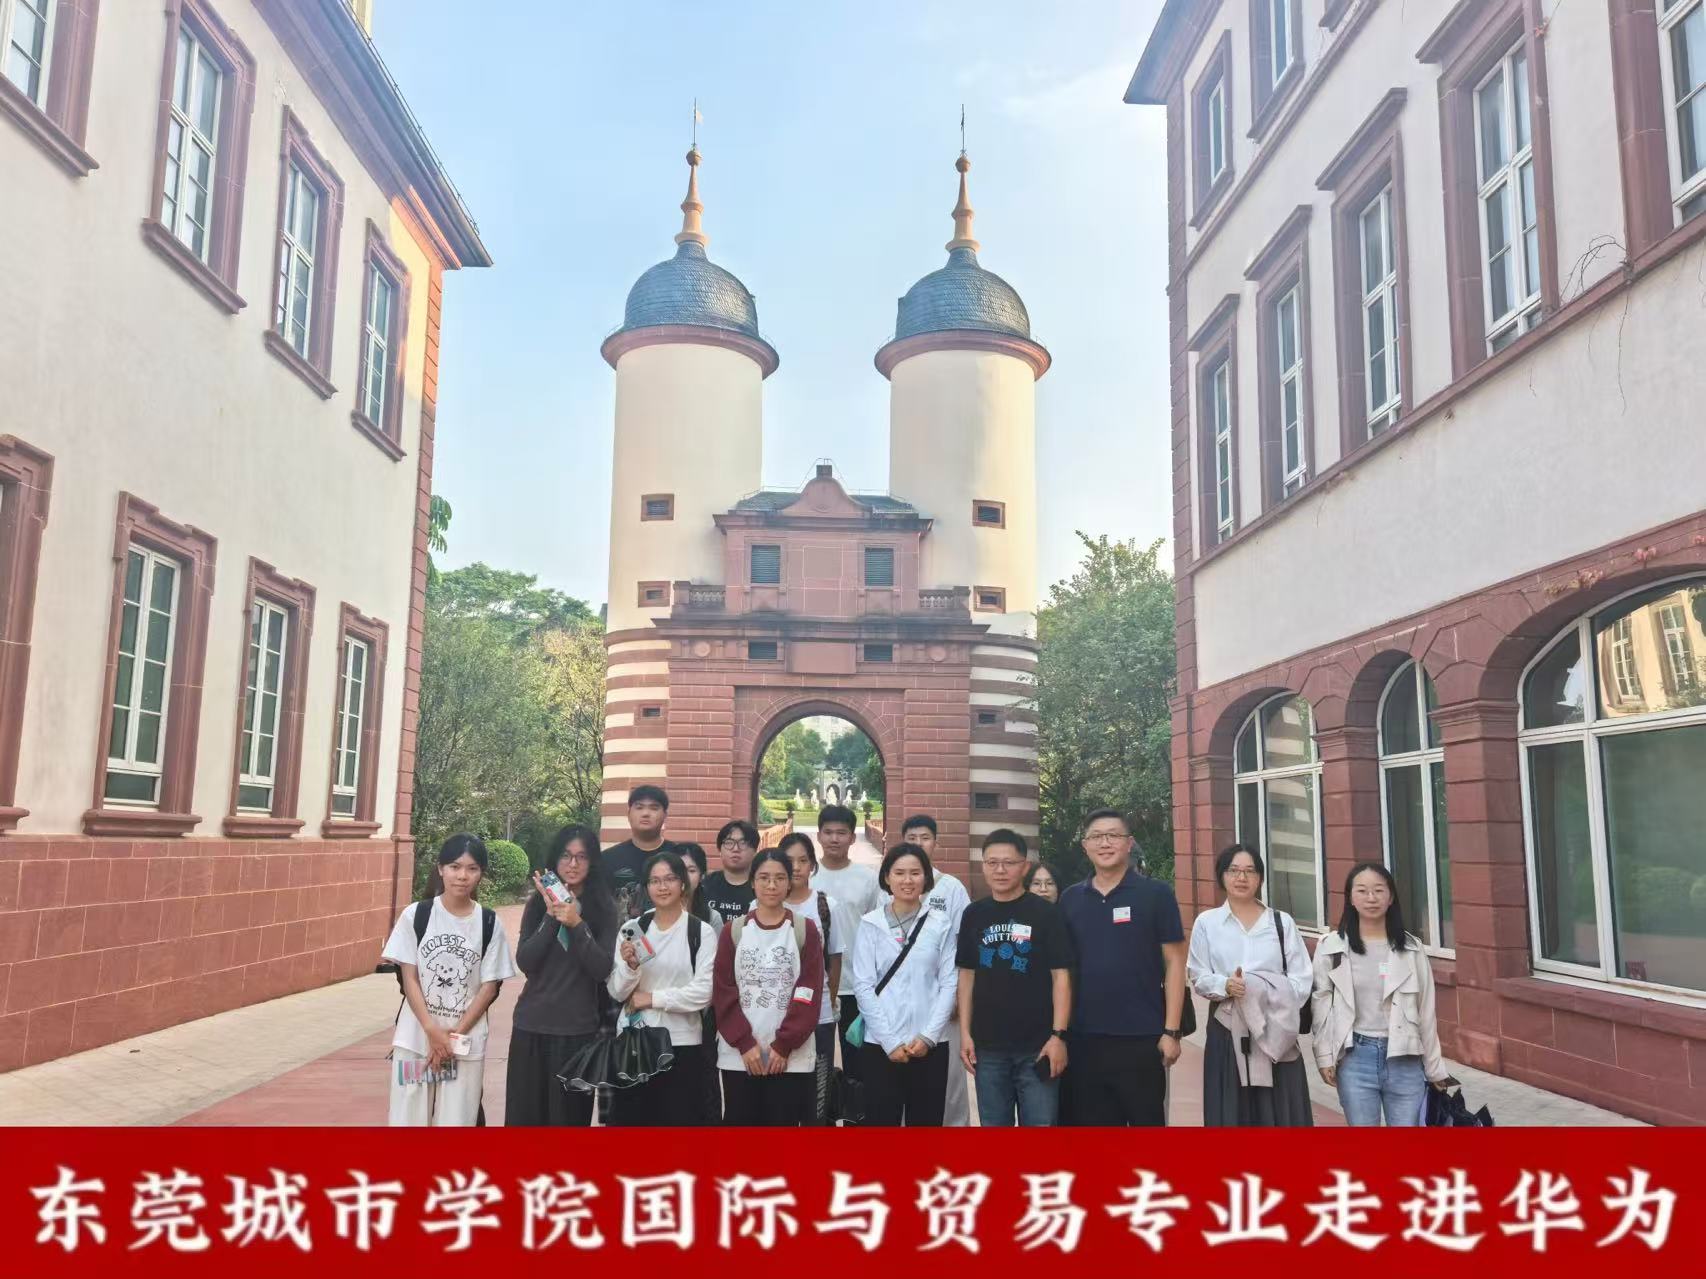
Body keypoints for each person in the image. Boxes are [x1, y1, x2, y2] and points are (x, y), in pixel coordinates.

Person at [1058, 809, 1187, 1127]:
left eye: (1113, 835)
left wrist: (1172, 1031)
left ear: (1129, 843)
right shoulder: (1070, 899)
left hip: (1142, 1038)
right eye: (1096, 837)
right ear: (1085, 846)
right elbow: (1062, 972)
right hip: (1084, 1038)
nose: (1105, 843)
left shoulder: (1156, 895)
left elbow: (1175, 963)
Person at [383, 834, 516, 1126]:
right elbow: (409, 978)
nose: (462, 876)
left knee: (457, 1121)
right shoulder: (416, 915)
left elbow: (489, 987)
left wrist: (451, 1038)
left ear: (481, 874)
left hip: (463, 1047)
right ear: (441, 868)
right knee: (407, 1118)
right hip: (416, 1041)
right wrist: (432, 1032)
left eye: (472, 868)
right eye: (455, 866)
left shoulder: (489, 923)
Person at [1311, 861, 1451, 1125]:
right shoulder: (1332, 948)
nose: (1371, 898)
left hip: (1405, 1059)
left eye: (1378, 890)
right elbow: (1321, 1006)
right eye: (1362, 891)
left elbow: (1426, 1011)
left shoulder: (1411, 948)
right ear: (1350, 898)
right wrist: (1324, 1056)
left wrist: (1435, 1068)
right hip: (1354, 1059)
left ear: (1391, 897)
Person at [1187, 843, 1314, 1126]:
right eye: (1233, 870)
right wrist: (1226, 985)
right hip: (1226, 1025)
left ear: (1260, 878)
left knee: (1281, 1110)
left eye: (1250, 871)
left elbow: (1302, 977)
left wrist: (1267, 996)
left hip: (1276, 1025)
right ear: (1222, 876)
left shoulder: (1281, 922)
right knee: (1231, 1110)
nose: (1241, 878)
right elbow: (1198, 975)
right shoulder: (1208, 923)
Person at [957, 830, 1074, 1126]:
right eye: (992, 862)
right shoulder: (973, 914)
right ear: (983, 866)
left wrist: (1058, 1036)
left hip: (1038, 1046)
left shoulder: (1046, 914)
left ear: (1024, 866)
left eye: (1009, 863)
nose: (1000, 870)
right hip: (988, 1048)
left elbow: (1061, 977)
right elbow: (967, 976)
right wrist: (966, 1034)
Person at [506, 826, 616, 1127]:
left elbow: (602, 969)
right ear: (556, 860)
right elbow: (527, 962)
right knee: (525, 1119)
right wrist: (552, 915)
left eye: (582, 857)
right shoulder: (536, 904)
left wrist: (577, 923)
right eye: (566, 856)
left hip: (577, 1032)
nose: (573, 864)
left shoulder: (604, 907)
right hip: (531, 1025)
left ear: (592, 862)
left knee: (568, 1120)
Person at [711, 849, 824, 1125]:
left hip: (789, 1057)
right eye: (763, 878)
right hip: (740, 1056)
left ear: (789, 882)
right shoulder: (733, 930)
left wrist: (784, 1045)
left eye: (779, 878)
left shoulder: (804, 929)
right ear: (752, 882)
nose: (771, 885)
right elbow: (724, 990)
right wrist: (744, 1043)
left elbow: (808, 989)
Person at [850, 842, 958, 1126]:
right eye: (899, 873)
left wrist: (928, 1036)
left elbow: (949, 983)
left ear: (926, 877)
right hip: (881, 1044)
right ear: (887, 877)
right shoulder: (871, 924)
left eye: (915, 873)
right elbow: (863, 985)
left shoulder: (941, 923)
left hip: (930, 1044)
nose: (907, 880)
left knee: (926, 1126)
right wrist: (889, 1041)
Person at [606, 849, 715, 1125]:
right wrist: (631, 968)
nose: (662, 886)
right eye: (655, 881)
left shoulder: (700, 932)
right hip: (633, 1042)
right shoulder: (633, 929)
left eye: (670, 879)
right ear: (646, 887)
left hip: (681, 1044)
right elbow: (617, 991)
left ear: (683, 884)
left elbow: (703, 993)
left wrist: (651, 998)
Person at [897, 813, 972, 1125]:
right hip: (900, 997)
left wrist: (957, 997)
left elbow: (964, 943)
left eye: (925, 838)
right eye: (911, 838)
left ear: (936, 843)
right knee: (902, 1066)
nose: (918, 844)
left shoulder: (951, 888)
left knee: (949, 1076)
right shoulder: (890, 884)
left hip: (943, 996)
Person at [777, 831, 848, 1124]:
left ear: (812, 866)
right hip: (774, 1015)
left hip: (819, 1015)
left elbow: (835, 958)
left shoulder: (826, 906)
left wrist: (828, 999)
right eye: (789, 860)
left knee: (817, 1092)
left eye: (803, 860)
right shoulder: (760, 905)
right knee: (780, 1092)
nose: (796, 867)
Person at [812, 804, 881, 1099]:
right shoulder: (807, 877)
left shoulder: (868, 878)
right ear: (818, 835)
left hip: (856, 986)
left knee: (858, 1069)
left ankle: (857, 1120)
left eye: (841, 833)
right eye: (828, 832)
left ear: (853, 837)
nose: (834, 839)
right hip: (814, 987)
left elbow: (879, 930)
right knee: (817, 1066)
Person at [603, 785, 674, 922]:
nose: (646, 813)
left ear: (665, 815)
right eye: (639, 807)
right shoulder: (607, 859)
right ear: (629, 814)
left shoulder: (678, 856)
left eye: (654, 808)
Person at [703, 820, 759, 921]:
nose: (735, 849)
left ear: (755, 851)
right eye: (729, 843)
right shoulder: (705, 885)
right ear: (720, 850)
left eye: (743, 843)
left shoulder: (761, 887)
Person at [677, 841, 726, 930]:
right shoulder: (653, 916)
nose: (685, 876)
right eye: (680, 869)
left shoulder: (712, 917)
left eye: (691, 871)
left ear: (701, 876)